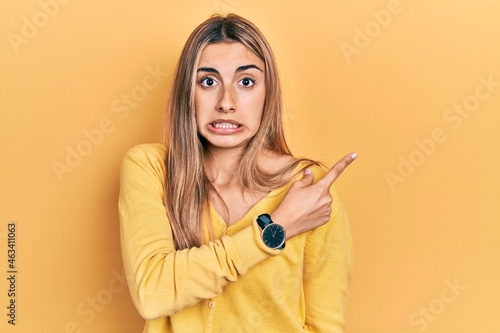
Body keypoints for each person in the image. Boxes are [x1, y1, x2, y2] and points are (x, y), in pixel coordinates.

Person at [119, 13, 357, 333]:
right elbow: (153, 292)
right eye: (208, 81)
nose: (227, 103)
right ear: (186, 94)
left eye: (245, 82)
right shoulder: (150, 168)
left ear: (267, 93)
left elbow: (324, 323)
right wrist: (274, 230)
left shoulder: (309, 188)